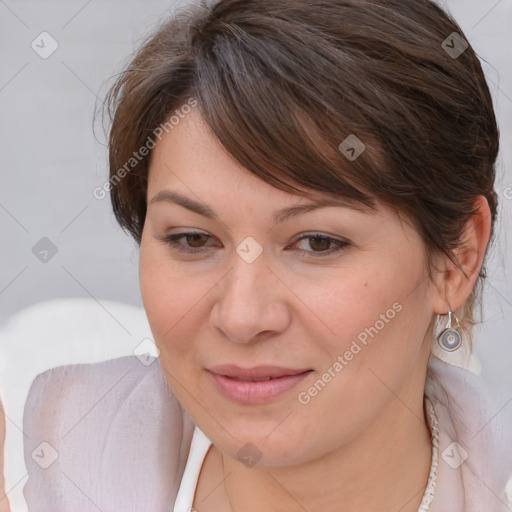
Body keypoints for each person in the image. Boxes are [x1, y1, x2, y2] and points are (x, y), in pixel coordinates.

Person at [13, 0, 512, 511]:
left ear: (457, 257)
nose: (242, 317)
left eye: (318, 242)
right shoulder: (45, 464)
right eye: (193, 239)